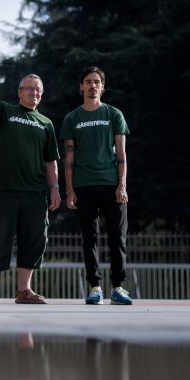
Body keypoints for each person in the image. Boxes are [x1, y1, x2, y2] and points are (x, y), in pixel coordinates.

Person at [0, 54, 61, 304]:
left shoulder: (46, 123)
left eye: (38, 90)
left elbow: (51, 160)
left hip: (36, 193)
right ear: (20, 92)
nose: (34, 93)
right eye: (29, 89)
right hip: (5, 189)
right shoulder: (6, 112)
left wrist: (56, 188)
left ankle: (24, 291)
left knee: (34, 240)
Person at [61, 66, 132, 305]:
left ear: (103, 86)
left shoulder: (114, 115)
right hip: (83, 186)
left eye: (97, 82)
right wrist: (69, 190)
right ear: (81, 86)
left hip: (111, 185)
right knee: (89, 239)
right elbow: (68, 158)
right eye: (88, 81)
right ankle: (95, 287)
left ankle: (118, 287)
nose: (92, 85)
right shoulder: (72, 118)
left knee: (117, 238)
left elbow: (121, 154)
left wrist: (122, 185)